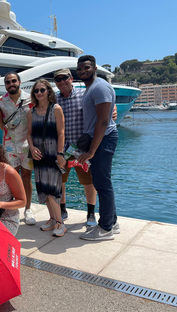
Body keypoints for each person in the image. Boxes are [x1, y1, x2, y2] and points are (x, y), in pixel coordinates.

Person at [55, 68, 119, 226]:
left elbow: (103, 104)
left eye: (65, 78)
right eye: (58, 79)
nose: (62, 82)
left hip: (82, 146)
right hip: (63, 147)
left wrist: (114, 108)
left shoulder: (84, 94)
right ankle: (63, 210)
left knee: (89, 182)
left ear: (71, 78)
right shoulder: (54, 99)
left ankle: (91, 213)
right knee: (59, 180)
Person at [76, 55, 119, 241]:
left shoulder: (99, 87)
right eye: (80, 69)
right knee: (103, 183)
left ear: (94, 68)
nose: (83, 71)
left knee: (102, 185)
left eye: (86, 68)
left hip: (103, 139)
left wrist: (92, 151)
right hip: (100, 139)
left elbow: (102, 121)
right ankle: (113, 222)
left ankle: (105, 228)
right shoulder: (92, 88)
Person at [0, 72, 36, 225]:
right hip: (9, 145)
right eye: (8, 82)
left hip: (26, 144)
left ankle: (28, 209)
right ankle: (10, 209)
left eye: (13, 81)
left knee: (26, 177)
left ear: (19, 82)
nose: (11, 84)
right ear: (5, 85)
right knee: (10, 178)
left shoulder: (31, 98)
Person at [26, 79, 66, 237]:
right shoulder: (31, 112)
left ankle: (60, 223)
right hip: (38, 153)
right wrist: (31, 147)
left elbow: (61, 132)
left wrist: (60, 153)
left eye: (42, 90)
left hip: (53, 153)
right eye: (36, 91)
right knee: (43, 187)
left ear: (49, 91)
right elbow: (29, 133)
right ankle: (52, 218)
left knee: (53, 188)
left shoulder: (56, 108)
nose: (39, 93)